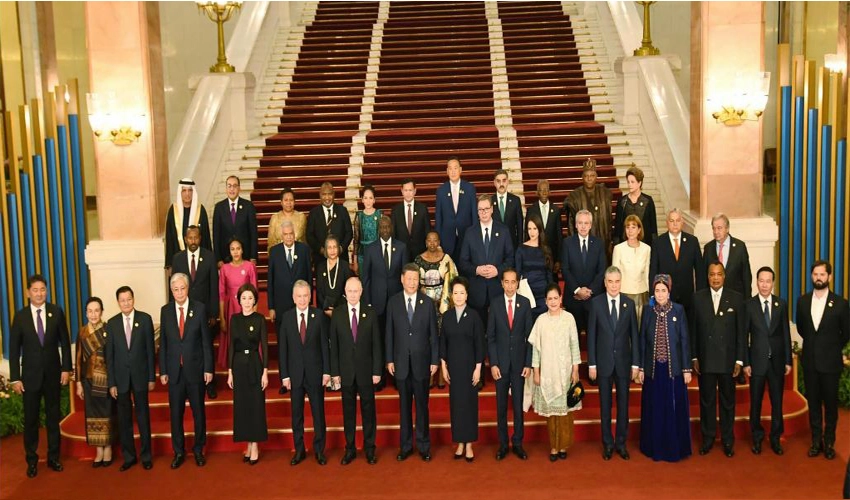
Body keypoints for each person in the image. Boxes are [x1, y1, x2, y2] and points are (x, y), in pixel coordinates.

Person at [9, 275, 72, 478]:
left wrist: (66, 369)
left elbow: (65, 341)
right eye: (35, 290)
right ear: (28, 292)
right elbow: (13, 350)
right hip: (30, 378)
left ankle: (54, 458)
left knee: (54, 418)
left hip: (53, 375)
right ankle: (32, 460)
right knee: (31, 420)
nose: (39, 293)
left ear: (47, 290)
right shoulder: (20, 317)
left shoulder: (56, 312)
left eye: (43, 289)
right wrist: (16, 378)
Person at [795, 260, 850, 460]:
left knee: (831, 406)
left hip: (831, 364)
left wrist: (831, 347)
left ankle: (829, 443)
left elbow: (846, 333)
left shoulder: (841, 304)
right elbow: (802, 329)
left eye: (822, 274)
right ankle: (816, 441)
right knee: (814, 404)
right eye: (815, 274)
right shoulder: (802, 301)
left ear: (829, 277)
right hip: (810, 362)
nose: (819, 278)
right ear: (812, 276)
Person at [159, 273, 214, 469]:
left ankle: (198, 449)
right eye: (176, 289)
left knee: (198, 412)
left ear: (188, 288)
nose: (180, 293)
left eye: (182, 288)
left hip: (196, 370)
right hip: (174, 372)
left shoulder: (199, 309)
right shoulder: (165, 311)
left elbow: (206, 342)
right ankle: (179, 451)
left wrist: (208, 368)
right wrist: (163, 370)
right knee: (176, 414)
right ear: (171, 291)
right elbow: (164, 344)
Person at [690, 262, 746, 457]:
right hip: (705, 360)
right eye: (712, 274)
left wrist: (740, 360)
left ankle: (728, 440)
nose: (715, 278)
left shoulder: (737, 299)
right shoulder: (697, 298)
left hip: (728, 361)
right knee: (706, 402)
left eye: (719, 274)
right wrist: (694, 356)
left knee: (728, 402)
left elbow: (741, 333)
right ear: (707, 276)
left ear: (724, 276)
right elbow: (694, 331)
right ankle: (708, 438)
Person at [386, 264, 439, 462]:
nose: (412, 282)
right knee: (404, 407)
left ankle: (424, 446)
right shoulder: (393, 303)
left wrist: (434, 360)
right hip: (400, 363)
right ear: (402, 279)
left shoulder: (428, 303)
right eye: (409, 279)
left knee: (423, 407)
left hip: (422, 363)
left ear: (419, 281)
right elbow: (389, 334)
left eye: (415, 279)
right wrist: (389, 359)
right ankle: (406, 446)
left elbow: (434, 335)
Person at [638, 274, 692, 462]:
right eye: (657, 291)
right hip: (653, 370)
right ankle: (654, 447)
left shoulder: (678, 310)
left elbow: (684, 340)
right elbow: (642, 340)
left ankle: (674, 447)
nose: (660, 294)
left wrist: (686, 369)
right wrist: (642, 368)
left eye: (663, 291)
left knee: (673, 407)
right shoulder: (647, 310)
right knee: (654, 407)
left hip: (673, 370)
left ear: (669, 292)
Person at [587, 266, 639, 460]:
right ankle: (607, 444)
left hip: (624, 364)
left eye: (617, 281)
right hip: (603, 364)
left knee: (623, 406)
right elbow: (591, 335)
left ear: (621, 282)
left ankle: (621, 443)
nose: (614, 285)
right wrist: (591, 363)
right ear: (605, 283)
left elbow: (634, 334)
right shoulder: (596, 304)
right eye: (610, 281)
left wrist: (636, 364)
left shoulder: (629, 304)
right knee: (605, 406)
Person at [330, 277, 382, 465]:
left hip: (366, 372)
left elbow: (377, 344)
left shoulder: (371, 313)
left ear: (361, 291)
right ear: (345, 292)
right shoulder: (337, 314)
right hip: (345, 373)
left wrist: (377, 371)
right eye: (349, 291)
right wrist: (335, 373)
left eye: (356, 291)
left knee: (369, 412)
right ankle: (350, 448)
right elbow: (333, 347)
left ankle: (370, 448)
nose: (353, 294)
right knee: (348, 413)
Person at [527, 283, 582, 461]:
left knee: (565, 413)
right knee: (551, 414)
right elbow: (536, 350)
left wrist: (575, 369)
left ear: (561, 299)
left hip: (566, 373)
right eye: (549, 299)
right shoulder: (541, 320)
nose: (553, 301)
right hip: (547, 375)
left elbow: (575, 345)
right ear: (545, 301)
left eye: (556, 298)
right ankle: (553, 447)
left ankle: (563, 446)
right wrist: (536, 372)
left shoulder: (569, 318)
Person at [279, 280, 330, 466]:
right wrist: (284, 375)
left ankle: (319, 450)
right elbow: (283, 349)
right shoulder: (286, 317)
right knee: (297, 415)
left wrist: (327, 372)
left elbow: (325, 345)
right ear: (293, 298)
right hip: (295, 375)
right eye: (299, 296)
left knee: (318, 414)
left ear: (310, 297)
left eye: (305, 296)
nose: (302, 299)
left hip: (316, 373)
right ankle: (299, 450)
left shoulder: (319, 316)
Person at [105, 287, 155, 471]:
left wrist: (151, 377)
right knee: (124, 420)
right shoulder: (112, 324)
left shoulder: (144, 319)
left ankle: (146, 455)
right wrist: (112, 383)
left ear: (133, 299)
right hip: (121, 380)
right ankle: (129, 456)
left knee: (143, 417)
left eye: (129, 299)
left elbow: (150, 351)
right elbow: (109, 357)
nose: (126, 303)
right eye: (122, 300)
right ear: (118, 302)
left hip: (141, 377)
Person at [743, 266, 791, 455]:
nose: (764, 284)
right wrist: (746, 362)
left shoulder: (781, 304)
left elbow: (785, 334)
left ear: (773, 283)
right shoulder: (749, 305)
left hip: (777, 362)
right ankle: (756, 437)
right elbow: (743, 336)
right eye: (761, 281)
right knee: (755, 403)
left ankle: (775, 437)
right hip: (756, 363)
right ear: (757, 282)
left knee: (777, 402)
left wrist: (788, 360)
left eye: (768, 281)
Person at [487, 268, 533, 460]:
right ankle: (503, 443)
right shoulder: (495, 304)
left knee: (518, 406)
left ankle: (518, 443)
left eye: (513, 282)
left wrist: (528, 363)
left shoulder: (525, 303)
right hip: (501, 365)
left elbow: (530, 337)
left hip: (519, 364)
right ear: (502, 283)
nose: (510, 285)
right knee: (501, 407)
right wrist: (494, 364)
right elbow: (491, 337)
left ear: (517, 284)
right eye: (506, 282)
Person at [171, 225, 220, 399]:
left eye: (196, 237)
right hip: (184, 312)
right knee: (188, 347)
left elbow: (214, 286)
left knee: (206, 347)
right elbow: (174, 287)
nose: (193, 241)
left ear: (200, 238)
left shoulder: (209, 257)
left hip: (205, 313)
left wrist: (214, 313)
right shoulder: (177, 259)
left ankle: (210, 383)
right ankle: (188, 383)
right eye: (190, 238)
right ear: (185, 239)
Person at [440, 277, 484, 462]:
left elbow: (480, 343)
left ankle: (469, 444)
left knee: (469, 405)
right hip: (454, 368)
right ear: (451, 295)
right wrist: (443, 366)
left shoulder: (474, 316)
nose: (458, 296)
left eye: (462, 293)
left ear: (467, 295)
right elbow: (443, 342)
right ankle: (459, 441)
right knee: (456, 405)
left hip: (470, 367)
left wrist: (478, 368)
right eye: (455, 293)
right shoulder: (447, 316)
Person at [362, 215, 408, 391]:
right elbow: (365, 278)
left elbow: (405, 276)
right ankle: (379, 377)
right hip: (377, 303)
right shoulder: (371, 249)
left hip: (397, 303)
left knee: (398, 340)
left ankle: (398, 377)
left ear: (392, 228)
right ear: (378, 229)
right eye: (382, 227)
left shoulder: (401, 247)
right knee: (379, 340)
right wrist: (368, 303)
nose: (385, 230)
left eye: (388, 227)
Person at [459, 195, 515, 332]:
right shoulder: (470, 233)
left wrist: (498, 270)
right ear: (477, 211)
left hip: (498, 289)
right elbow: (463, 262)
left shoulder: (503, 231)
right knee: (479, 331)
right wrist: (476, 269)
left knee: (500, 330)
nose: (483, 212)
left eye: (486, 209)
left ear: (492, 209)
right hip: (477, 293)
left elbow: (510, 259)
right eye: (480, 210)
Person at [226, 283, 268, 465]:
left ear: (255, 300)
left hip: (255, 365)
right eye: (244, 298)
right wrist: (229, 372)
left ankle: (255, 445)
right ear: (238, 300)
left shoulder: (260, 319)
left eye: (250, 298)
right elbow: (230, 347)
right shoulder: (234, 319)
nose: (247, 302)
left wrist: (265, 372)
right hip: (238, 367)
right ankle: (248, 444)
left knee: (256, 405)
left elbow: (265, 348)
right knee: (242, 407)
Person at [75, 297, 115, 468]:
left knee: (107, 415)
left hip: (106, 381)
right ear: (86, 313)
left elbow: (114, 357)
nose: (93, 314)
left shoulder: (109, 330)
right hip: (89, 381)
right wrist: (78, 383)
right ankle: (99, 449)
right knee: (93, 416)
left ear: (102, 311)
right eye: (90, 311)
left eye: (96, 310)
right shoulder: (82, 332)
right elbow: (77, 360)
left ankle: (108, 448)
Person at [649, 208, 706, 320]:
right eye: (671, 221)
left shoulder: (692, 241)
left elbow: (700, 271)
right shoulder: (658, 243)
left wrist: (700, 296)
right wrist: (653, 296)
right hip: (665, 298)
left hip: (688, 299)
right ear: (667, 223)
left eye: (678, 220)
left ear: (682, 222)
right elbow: (653, 271)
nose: (675, 224)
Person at [561, 209, 606, 334]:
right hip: (573, 298)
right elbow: (565, 269)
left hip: (593, 299)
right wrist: (577, 290)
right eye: (580, 223)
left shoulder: (598, 244)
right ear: (575, 225)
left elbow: (602, 270)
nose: (583, 226)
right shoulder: (567, 243)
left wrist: (589, 291)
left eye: (586, 223)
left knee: (593, 337)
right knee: (573, 338)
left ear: (590, 225)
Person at [217, 238, 258, 369]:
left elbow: (255, 291)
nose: (235, 252)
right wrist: (222, 317)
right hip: (230, 308)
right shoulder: (224, 268)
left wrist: (255, 314)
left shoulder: (249, 266)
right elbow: (221, 294)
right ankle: (232, 363)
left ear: (242, 250)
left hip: (246, 306)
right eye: (232, 249)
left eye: (238, 248)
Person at [267, 220, 312, 335]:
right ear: (282, 236)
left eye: (291, 233)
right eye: (286, 234)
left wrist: (309, 302)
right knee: (282, 337)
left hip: (301, 303)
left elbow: (309, 277)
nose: (288, 237)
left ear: (294, 234)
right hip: (281, 305)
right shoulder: (274, 252)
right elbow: (270, 281)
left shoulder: (304, 250)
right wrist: (271, 307)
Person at [563, 158, 613, 254]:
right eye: (586, 176)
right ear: (582, 177)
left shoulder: (605, 193)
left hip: (603, 242)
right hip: (583, 246)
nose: (589, 179)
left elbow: (610, 220)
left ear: (596, 176)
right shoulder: (575, 197)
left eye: (592, 175)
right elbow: (571, 225)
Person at [435, 157, 478, 260]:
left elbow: (474, 215)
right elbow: (438, 218)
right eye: (450, 168)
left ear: (460, 170)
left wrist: (475, 237)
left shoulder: (469, 188)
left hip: (466, 237)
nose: (453, 171)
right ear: (447, 171)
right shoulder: (441, 191)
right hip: (447, 240)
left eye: (455, 168)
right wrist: (438, 242)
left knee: (465, 270)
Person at [164, 178, 211, 269]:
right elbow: (169, 238)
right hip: (178, 260)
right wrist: (169, 264)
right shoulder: (173, 210)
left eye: (190, 190)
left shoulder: (200, 210)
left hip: (198, 261)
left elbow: (206, 238)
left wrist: (208, 262)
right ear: (180, 193)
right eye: (184, 190)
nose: (187, 194)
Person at [612, 215, 651, 321]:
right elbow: (615, 274)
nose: (630, 230)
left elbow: (647, 273)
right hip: (624, 293)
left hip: (642, 294)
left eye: (633, 227)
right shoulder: (618, 249)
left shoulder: (647, 249)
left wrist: (649, 293)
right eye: (627, 227)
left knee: (640, 325)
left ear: (639, 230)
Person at [213, 175, 258, 267]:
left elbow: (253, 233)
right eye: (229, 186)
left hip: (245, 256)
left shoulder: (248, 206)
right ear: (226, 188)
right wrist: (218, 258)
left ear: (239, 188)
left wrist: (253, 257)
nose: (232, 189)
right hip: (226, 258)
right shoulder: (219, 207)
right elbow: (216, 235)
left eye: (235, 186)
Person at [703, 213, 752, 296]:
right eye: (714, 228)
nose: (716, 232)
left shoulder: (740, 247)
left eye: (719, 228)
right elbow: (704, 276)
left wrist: (747, 300)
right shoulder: (708, 248)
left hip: (736, 297)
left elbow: (746, 276)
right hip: (714, 297)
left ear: (727, 229)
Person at [515, 214, 554, 317]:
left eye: (534, 228)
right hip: (527, 293)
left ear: (539, 229)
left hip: (543, 294)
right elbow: (517, 274)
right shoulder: (521, 249)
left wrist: (551, 295)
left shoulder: (546, 249)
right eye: (529, 229)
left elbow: (549, 275)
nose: (531, 232)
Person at [306, 181, 353, 264]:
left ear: (334, 194)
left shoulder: (343, 211)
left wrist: (341, 248)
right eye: (324, 194)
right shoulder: (313, 213)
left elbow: (349, 233)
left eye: (329, 194)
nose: (327, 198)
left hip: (341, 259)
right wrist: (321, 250)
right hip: (320, 260)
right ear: (320, 195)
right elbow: (309, 235)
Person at [414, 231, 458, 316]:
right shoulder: (418, 260)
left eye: (435, 240)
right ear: (426, 242)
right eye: (429, 240)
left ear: (439, 242)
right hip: (423, 300)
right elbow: (414, 282)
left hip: (443, 300)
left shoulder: (446, 258)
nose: (432, 243)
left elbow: (454, 279)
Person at [525, 179, 562, 277]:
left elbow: (559, 236)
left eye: (546, 189)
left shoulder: (556, 210)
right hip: (535, 257)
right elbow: (526, 235)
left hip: (552, 258)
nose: (544, 192)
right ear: (537, 192)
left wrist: (558, 260)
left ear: (550, 191)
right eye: (541, 190)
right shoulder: (531, 210)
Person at [613, 166, 657, 246]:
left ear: (639, 183)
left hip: (645, 244)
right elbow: (618, 227)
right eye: (628, 182)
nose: (629, 185)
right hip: (626, 244)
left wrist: (654, 247)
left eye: (632, 182)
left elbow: (653, 228)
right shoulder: (622, 201)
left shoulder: (648, 201)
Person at [391, 178, 431, 261]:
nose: (408, 193)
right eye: (405, 190)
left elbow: (427, 230)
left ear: (415, 191)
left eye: (410, 190)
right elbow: (393, 233)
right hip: (401, 253)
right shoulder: (395, 210)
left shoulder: (422, 208)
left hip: (420, 253)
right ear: (401, 191)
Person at [316, 235, 352, 319]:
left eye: (334, 247)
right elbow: (319, 291)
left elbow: (347, 290)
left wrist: (336, 308)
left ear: (338, 248)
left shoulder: (344, 266)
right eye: (329, 247)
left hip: (341, 309)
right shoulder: (321, 267)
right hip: (324, 309)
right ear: (325, 250)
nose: (332, 250)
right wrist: (326, 307)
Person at [352, 185, 382, 274]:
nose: (368, 201)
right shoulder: (359, 216)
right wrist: (355, 260)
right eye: (365, 198)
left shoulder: (379, 215)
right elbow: (356, 240)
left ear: (374, 200)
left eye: (370, 198)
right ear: (362, 200)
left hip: (377, 254)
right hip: (362, 255)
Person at [492, 169, 523, 249]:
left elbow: (519, 226)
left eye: (504, 180)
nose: (501, 184)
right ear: (494, 183)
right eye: (498, 181)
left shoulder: (516, 200)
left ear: (508, 182)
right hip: (494, 246)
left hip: (512, 245)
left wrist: (520, 247)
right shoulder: (489, 201)